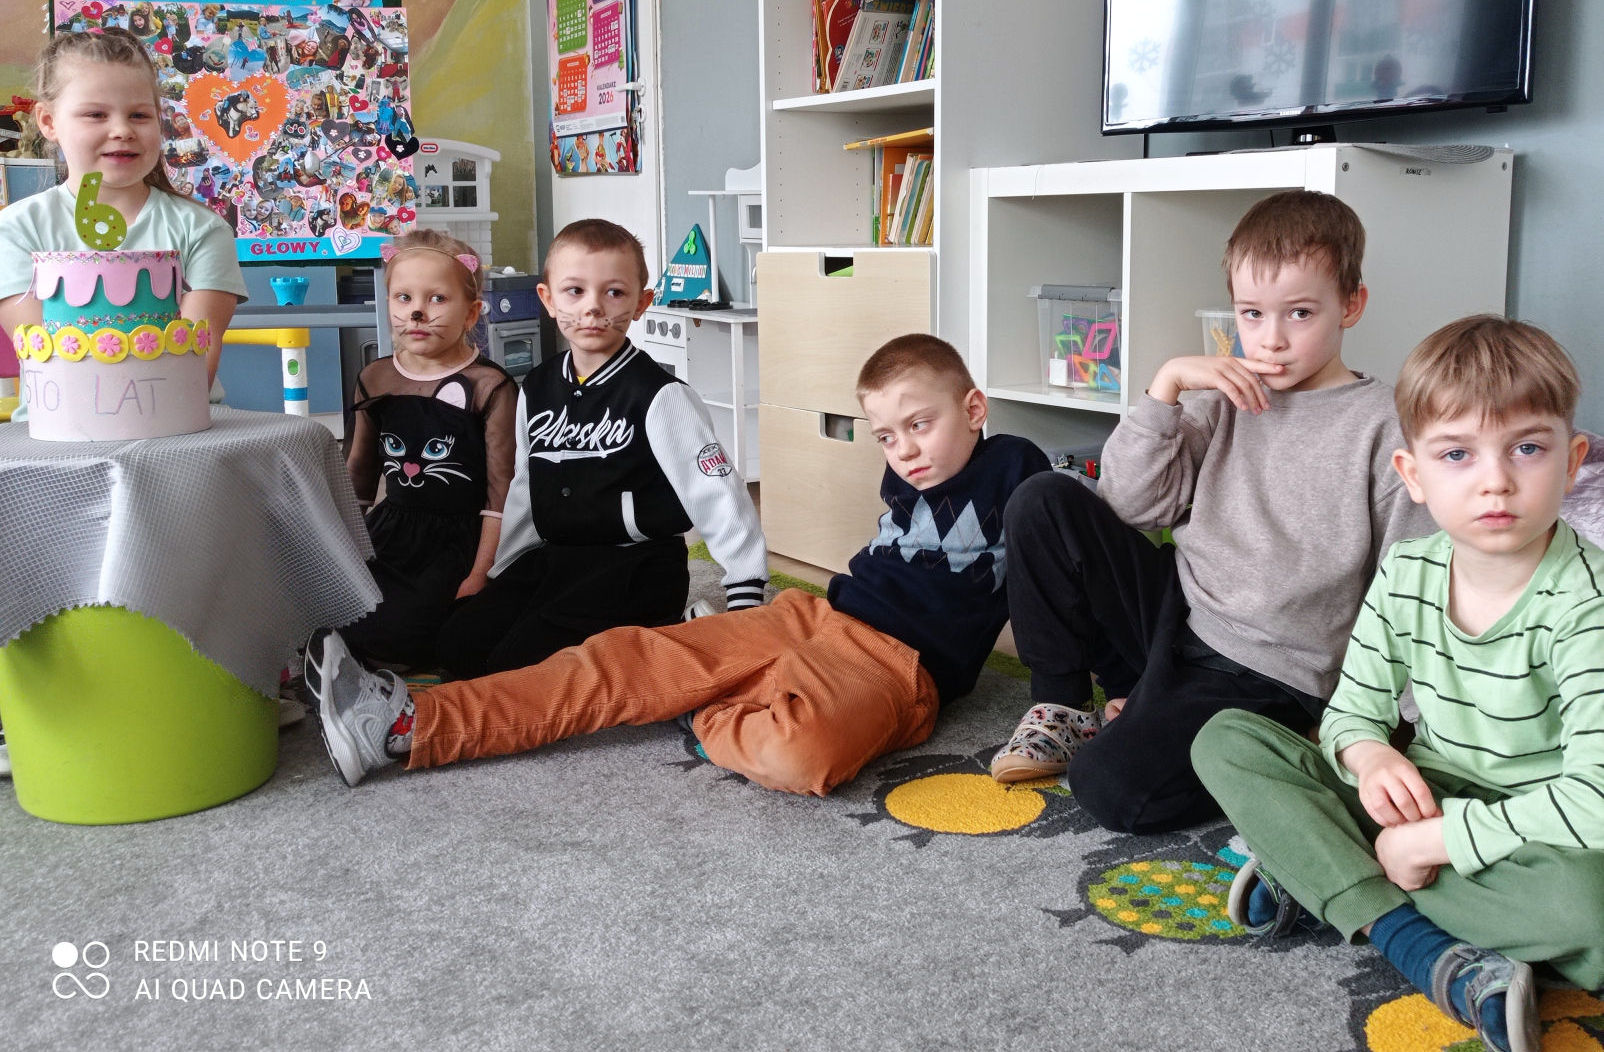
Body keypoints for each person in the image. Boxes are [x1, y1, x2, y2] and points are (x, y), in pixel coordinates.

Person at [302, 334, 1050, 792]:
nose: (904, 450)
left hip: (899, 665)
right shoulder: (906, 475)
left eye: (920, 424)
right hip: (814, 613)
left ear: (974, 409)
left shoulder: (1020, 472)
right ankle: (406, 723)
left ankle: (699, 707)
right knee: (618, 660)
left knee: (801, 753)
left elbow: (1060, 570)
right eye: (886, 436)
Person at [1194, 316, 1604, 1052]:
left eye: (1527, 448)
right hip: (1427, 792)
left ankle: (1318, 871)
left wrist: (1437, 842)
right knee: (1226, 740)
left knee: (1590, 912)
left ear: (1572, 461)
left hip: (1544, 828)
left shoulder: (1587, 604)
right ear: (1413, 475)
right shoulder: (1410, 571)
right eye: (1457, 454)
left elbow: (1594, 801)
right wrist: (1371, 755)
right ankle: (1411, 938)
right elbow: (1352, 711)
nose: (1495, 480)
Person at [991, 190, 1434, 833]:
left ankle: (1280, 745)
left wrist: (1399, 728)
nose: (1271, 339)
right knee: (1042, 498)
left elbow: (1413, 584)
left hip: (1272, 666)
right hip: (1179, 615)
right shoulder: (1223, 396)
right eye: (1252, 314)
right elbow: (1131, 506)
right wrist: (1167, 385)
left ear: (1351, 305)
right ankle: (1066, 707)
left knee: (1111, 788)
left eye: (1300, 313)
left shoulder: (1386, 426)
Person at [399, 217, 764, 681]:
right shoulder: (537, 386)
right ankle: (656, 633)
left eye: (614, 292)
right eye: (574, 291)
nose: (593, 307)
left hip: (635, 567)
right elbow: (525, 487)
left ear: (640, 304)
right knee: (457, 645)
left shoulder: (660, 395)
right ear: (548, 299)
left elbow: (717, 492)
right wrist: (499, 573)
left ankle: (674, 634)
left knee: (520, 668)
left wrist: (745, 593)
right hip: (558, 559)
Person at [0, 28, 247, 414]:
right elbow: (44, 353)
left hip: (180, 424)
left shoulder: (202, 229)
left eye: (139, 115)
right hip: (59, 429)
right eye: (96, 114)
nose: (122, 130)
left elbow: (195, 362)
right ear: (48, 121)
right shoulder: (16, 229)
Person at [337, 229, 518, 671]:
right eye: (404, 298)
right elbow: (358, 476)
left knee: (427, 636)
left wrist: (479, 575)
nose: (417, 312)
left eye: (437, 299)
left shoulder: (490, 385)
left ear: (471, 313)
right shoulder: (375, 377)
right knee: (342, 621)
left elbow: (501, 494)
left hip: (462, 540)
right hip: (391, 533)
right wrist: (342, 563)